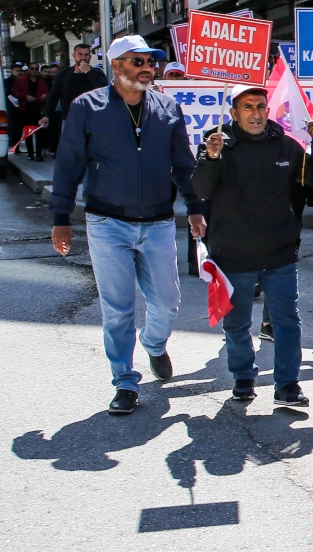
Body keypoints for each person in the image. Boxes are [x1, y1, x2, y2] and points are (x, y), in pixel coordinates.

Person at [49, 35, 203, 415]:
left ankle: (154, 345)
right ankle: (124, 381)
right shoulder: (88, 107)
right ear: (116, 66)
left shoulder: (168, 107)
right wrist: (61, 218)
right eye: (137, 62)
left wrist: (196, 207)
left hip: (158, 222)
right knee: (117, 308)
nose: (147, 68)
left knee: (167, 303)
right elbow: (69, 164)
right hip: (106, 221)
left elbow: (183, 164)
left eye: (151, 62)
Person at [192, 85, 313, 406]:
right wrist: (211, 157)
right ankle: (243, 377)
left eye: (261, 107)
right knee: (237, 322)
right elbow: (201, 188)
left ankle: (288, 385)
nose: (256, 113)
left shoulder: (284, 145)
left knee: (286, 321)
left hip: (279, 251)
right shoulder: (217, 142)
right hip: (232, 253)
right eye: (248, 107)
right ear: (235, 113)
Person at [41, 44, 109, 161]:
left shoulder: (96, 73)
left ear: (90, 56)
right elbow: (54, 96)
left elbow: (104, 90)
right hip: (70, 118)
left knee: (92, 152)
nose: (83, 57)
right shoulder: (64, 74)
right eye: (80, 54)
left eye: (86, 54)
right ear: (74, 56)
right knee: (71, 152)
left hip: (93, 119)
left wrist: (89, 72)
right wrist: (46, 115)